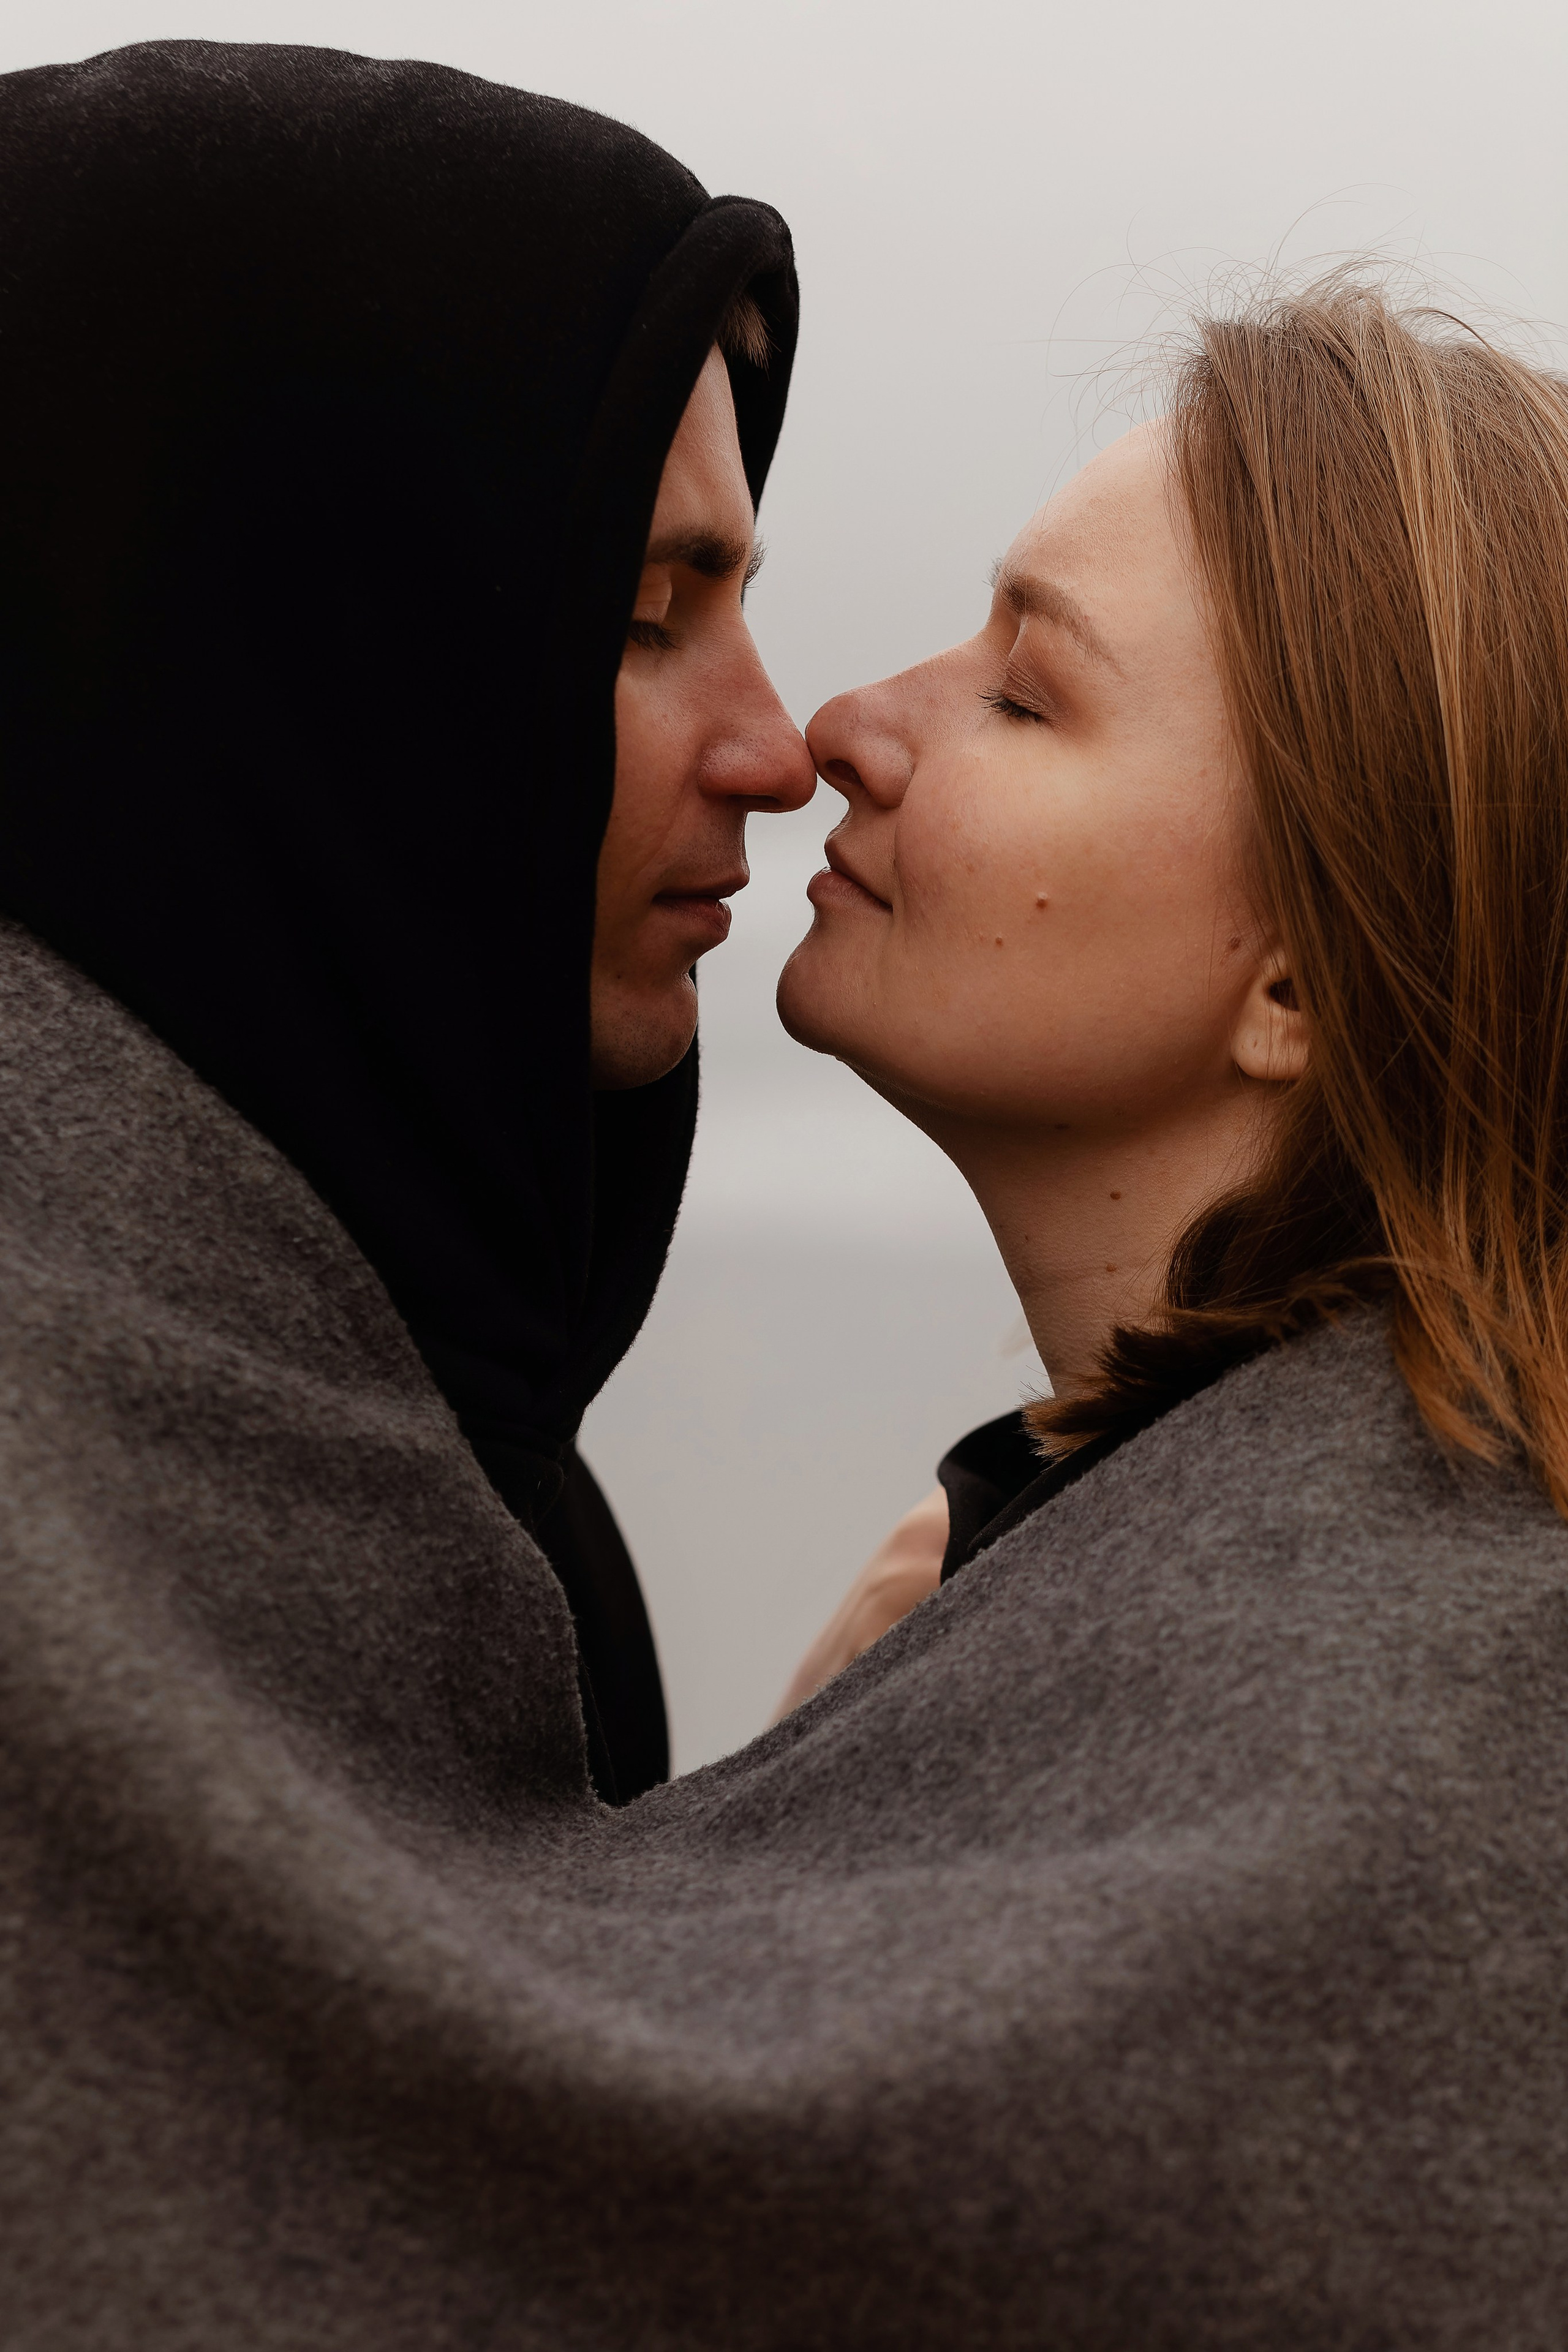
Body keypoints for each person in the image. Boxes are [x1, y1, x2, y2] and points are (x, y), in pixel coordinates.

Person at [6, 45, 1568, 2324]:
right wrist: (833, 1805)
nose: (825, 729)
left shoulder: (1443, 1694)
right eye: (644, 611)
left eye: (1027, 695)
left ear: (1308, 980)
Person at [0, 38, 813, 1806]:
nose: (780, 752)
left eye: (740, 597)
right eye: (640, 616)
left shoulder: (444, 1461)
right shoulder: (73, 1511)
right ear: (310, 670)